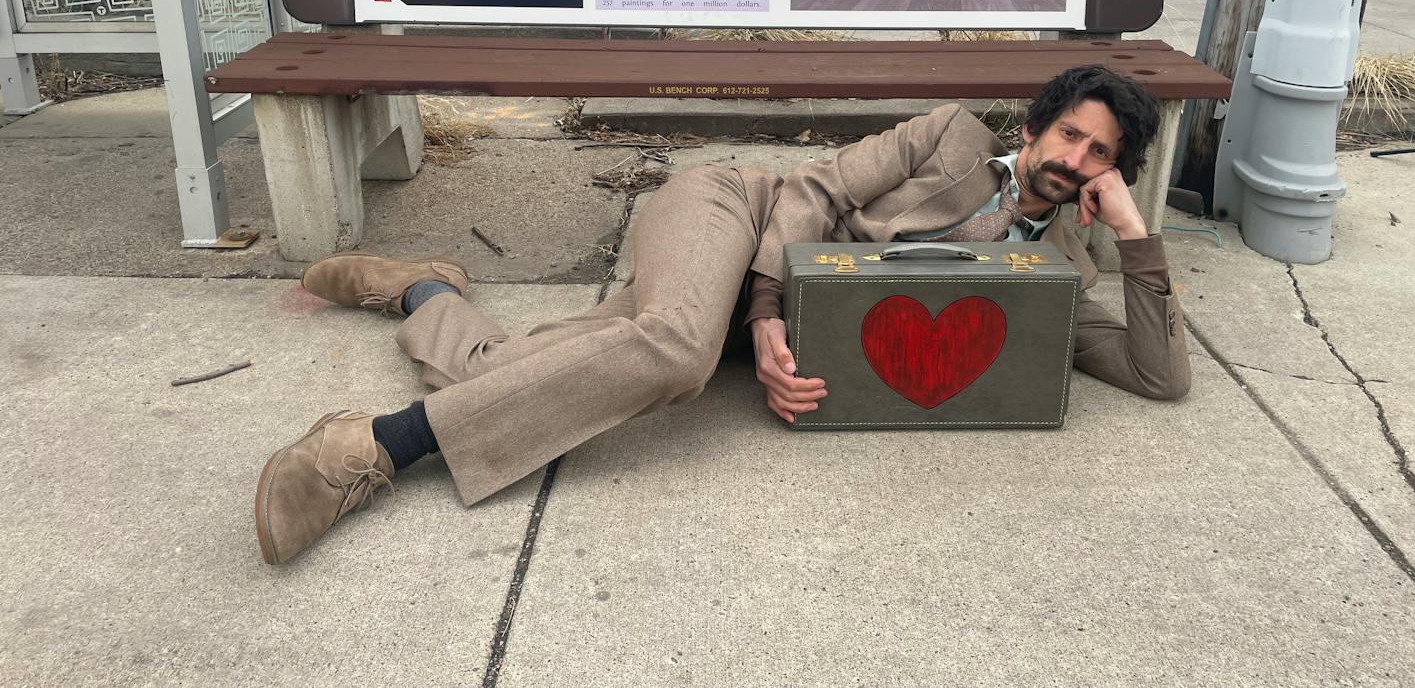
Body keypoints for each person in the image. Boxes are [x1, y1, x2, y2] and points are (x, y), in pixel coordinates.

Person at [254, 66, 1189, 565]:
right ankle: (373, 446)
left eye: (1100, 154)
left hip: (742, 305)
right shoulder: (949, 136)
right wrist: (771, 313)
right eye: (1069, 132)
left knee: (503, 375)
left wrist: (1135, 237)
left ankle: (423, 293)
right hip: (733, 217)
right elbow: (814, 191)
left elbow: (1158, 375)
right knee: (675, 349)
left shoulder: (1060, 269)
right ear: (1033, 129)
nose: (1075, 156)